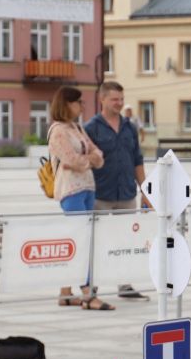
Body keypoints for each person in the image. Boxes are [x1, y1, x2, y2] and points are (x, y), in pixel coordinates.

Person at [48, 86, 112, 311]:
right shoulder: (58, 131)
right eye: (78, 102)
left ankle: (65, 293)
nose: (82, 106)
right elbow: (70, 159)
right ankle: (88, 294)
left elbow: (98, 154)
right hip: (70, 191)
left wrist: (89, 159)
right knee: (82, 242)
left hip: (87, 187)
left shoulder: (76, 128)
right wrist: (89, 160)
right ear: (66, 104)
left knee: (79, 241)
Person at [85, 81, 149, 301]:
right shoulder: (91, 128)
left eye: (121, 99)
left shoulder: (130, 127)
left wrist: (146, 190)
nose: (119, 103)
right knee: (98, 242)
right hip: (100, 194)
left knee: (127, 241)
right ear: (102, 99)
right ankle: (92, 287)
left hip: (126, 194)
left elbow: (137, 160)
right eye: (114, 99)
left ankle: (125, 284)